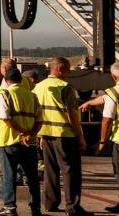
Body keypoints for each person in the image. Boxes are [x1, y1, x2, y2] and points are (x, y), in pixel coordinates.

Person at [33, 57, 89, 215]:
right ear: (59, 69)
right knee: (70, 171)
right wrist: (81, 137)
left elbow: (37, 112)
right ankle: (72, 207)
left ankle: (50, 203)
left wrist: (40, 135)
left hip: (46, 134)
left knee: (50, 170)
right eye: (67, 69)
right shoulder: (65, 87)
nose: (69, 72)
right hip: (64, 135)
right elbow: (72, 115)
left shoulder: (39, 87)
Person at [0, 66, 43, 216]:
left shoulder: (4, 94)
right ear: (21, 80)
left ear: (6, 80)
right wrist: (30, 134)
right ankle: (35, 208)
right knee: (32, 176)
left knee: (9, 175)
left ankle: (10, 207)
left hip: (9, 141)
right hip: (29, 142)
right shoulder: (32, 96)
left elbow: (5, 118)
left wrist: (21, 133)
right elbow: (39, 120)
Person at [77, 62, 119, 213]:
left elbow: (107, 119)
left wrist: (102, 141)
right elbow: (105, 99)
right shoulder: (112, 94)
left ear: (114, 77)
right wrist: (90, 102)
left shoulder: (114, 92)